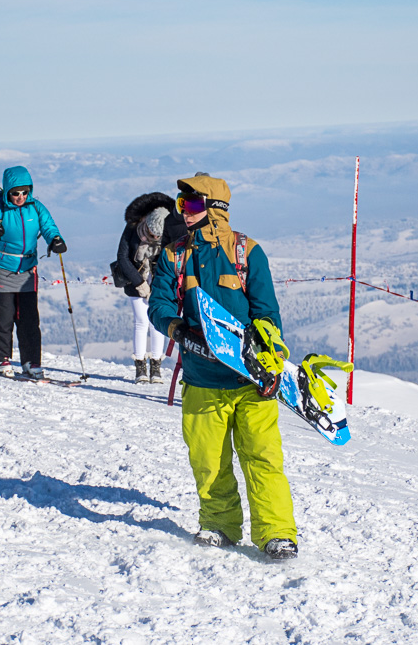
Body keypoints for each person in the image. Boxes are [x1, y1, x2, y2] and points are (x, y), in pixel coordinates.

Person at [148, 174, 298, 560]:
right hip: (201, 377)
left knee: (263, 457)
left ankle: (276, 532)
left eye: (193, 204)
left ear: (216, 208)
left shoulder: (248, 252)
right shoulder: (174, 254)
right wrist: (180, 330)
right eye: (182, 205)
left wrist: (272, 365)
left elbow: (267, 314)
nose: (185, 211)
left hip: (250, 378)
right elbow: (159, 305)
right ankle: (218, 524)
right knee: (208, 460)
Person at [0, 165, 66, 379]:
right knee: (4, 316)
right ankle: (1, 359)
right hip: (1, 268)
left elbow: (48, 226)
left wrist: (55, 239)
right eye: (15, 193)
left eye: (25, 192)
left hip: (27, 269)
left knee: (29, 318)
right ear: (8, 191)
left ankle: (31, 361)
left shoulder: (35, 207)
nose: (20, 196)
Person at [116, 192, 173, 384]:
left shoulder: (168, 235)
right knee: (141, 320)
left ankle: (156, 364)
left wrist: (159, 286)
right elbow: (122, 257)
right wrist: (139, 284)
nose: (155, 237)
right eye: (151, 233)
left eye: (158, 235)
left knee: (158, 321)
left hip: (159, 281)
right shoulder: (133, 228)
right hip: (135, 282)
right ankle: (140, 365)